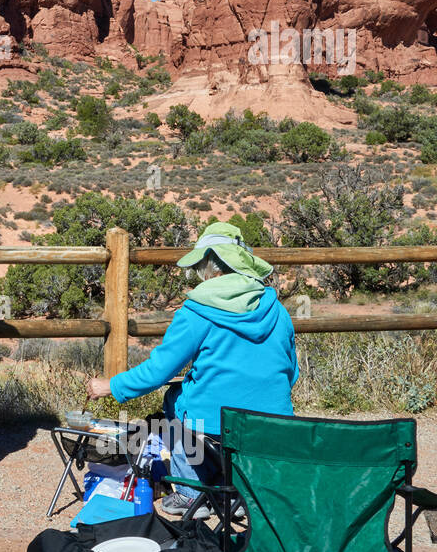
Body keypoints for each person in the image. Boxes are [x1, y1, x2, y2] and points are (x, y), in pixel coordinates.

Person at [87, 221, 297, 517]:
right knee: (219, 410)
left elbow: (158, 372)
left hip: (217, 424)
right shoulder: (277, 309)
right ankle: (241, 488)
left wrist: (109, 386)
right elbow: (291, 371)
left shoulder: (198, 310)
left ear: (208, 266)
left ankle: (191, 493)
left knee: (176, 398)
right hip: (275, 423)